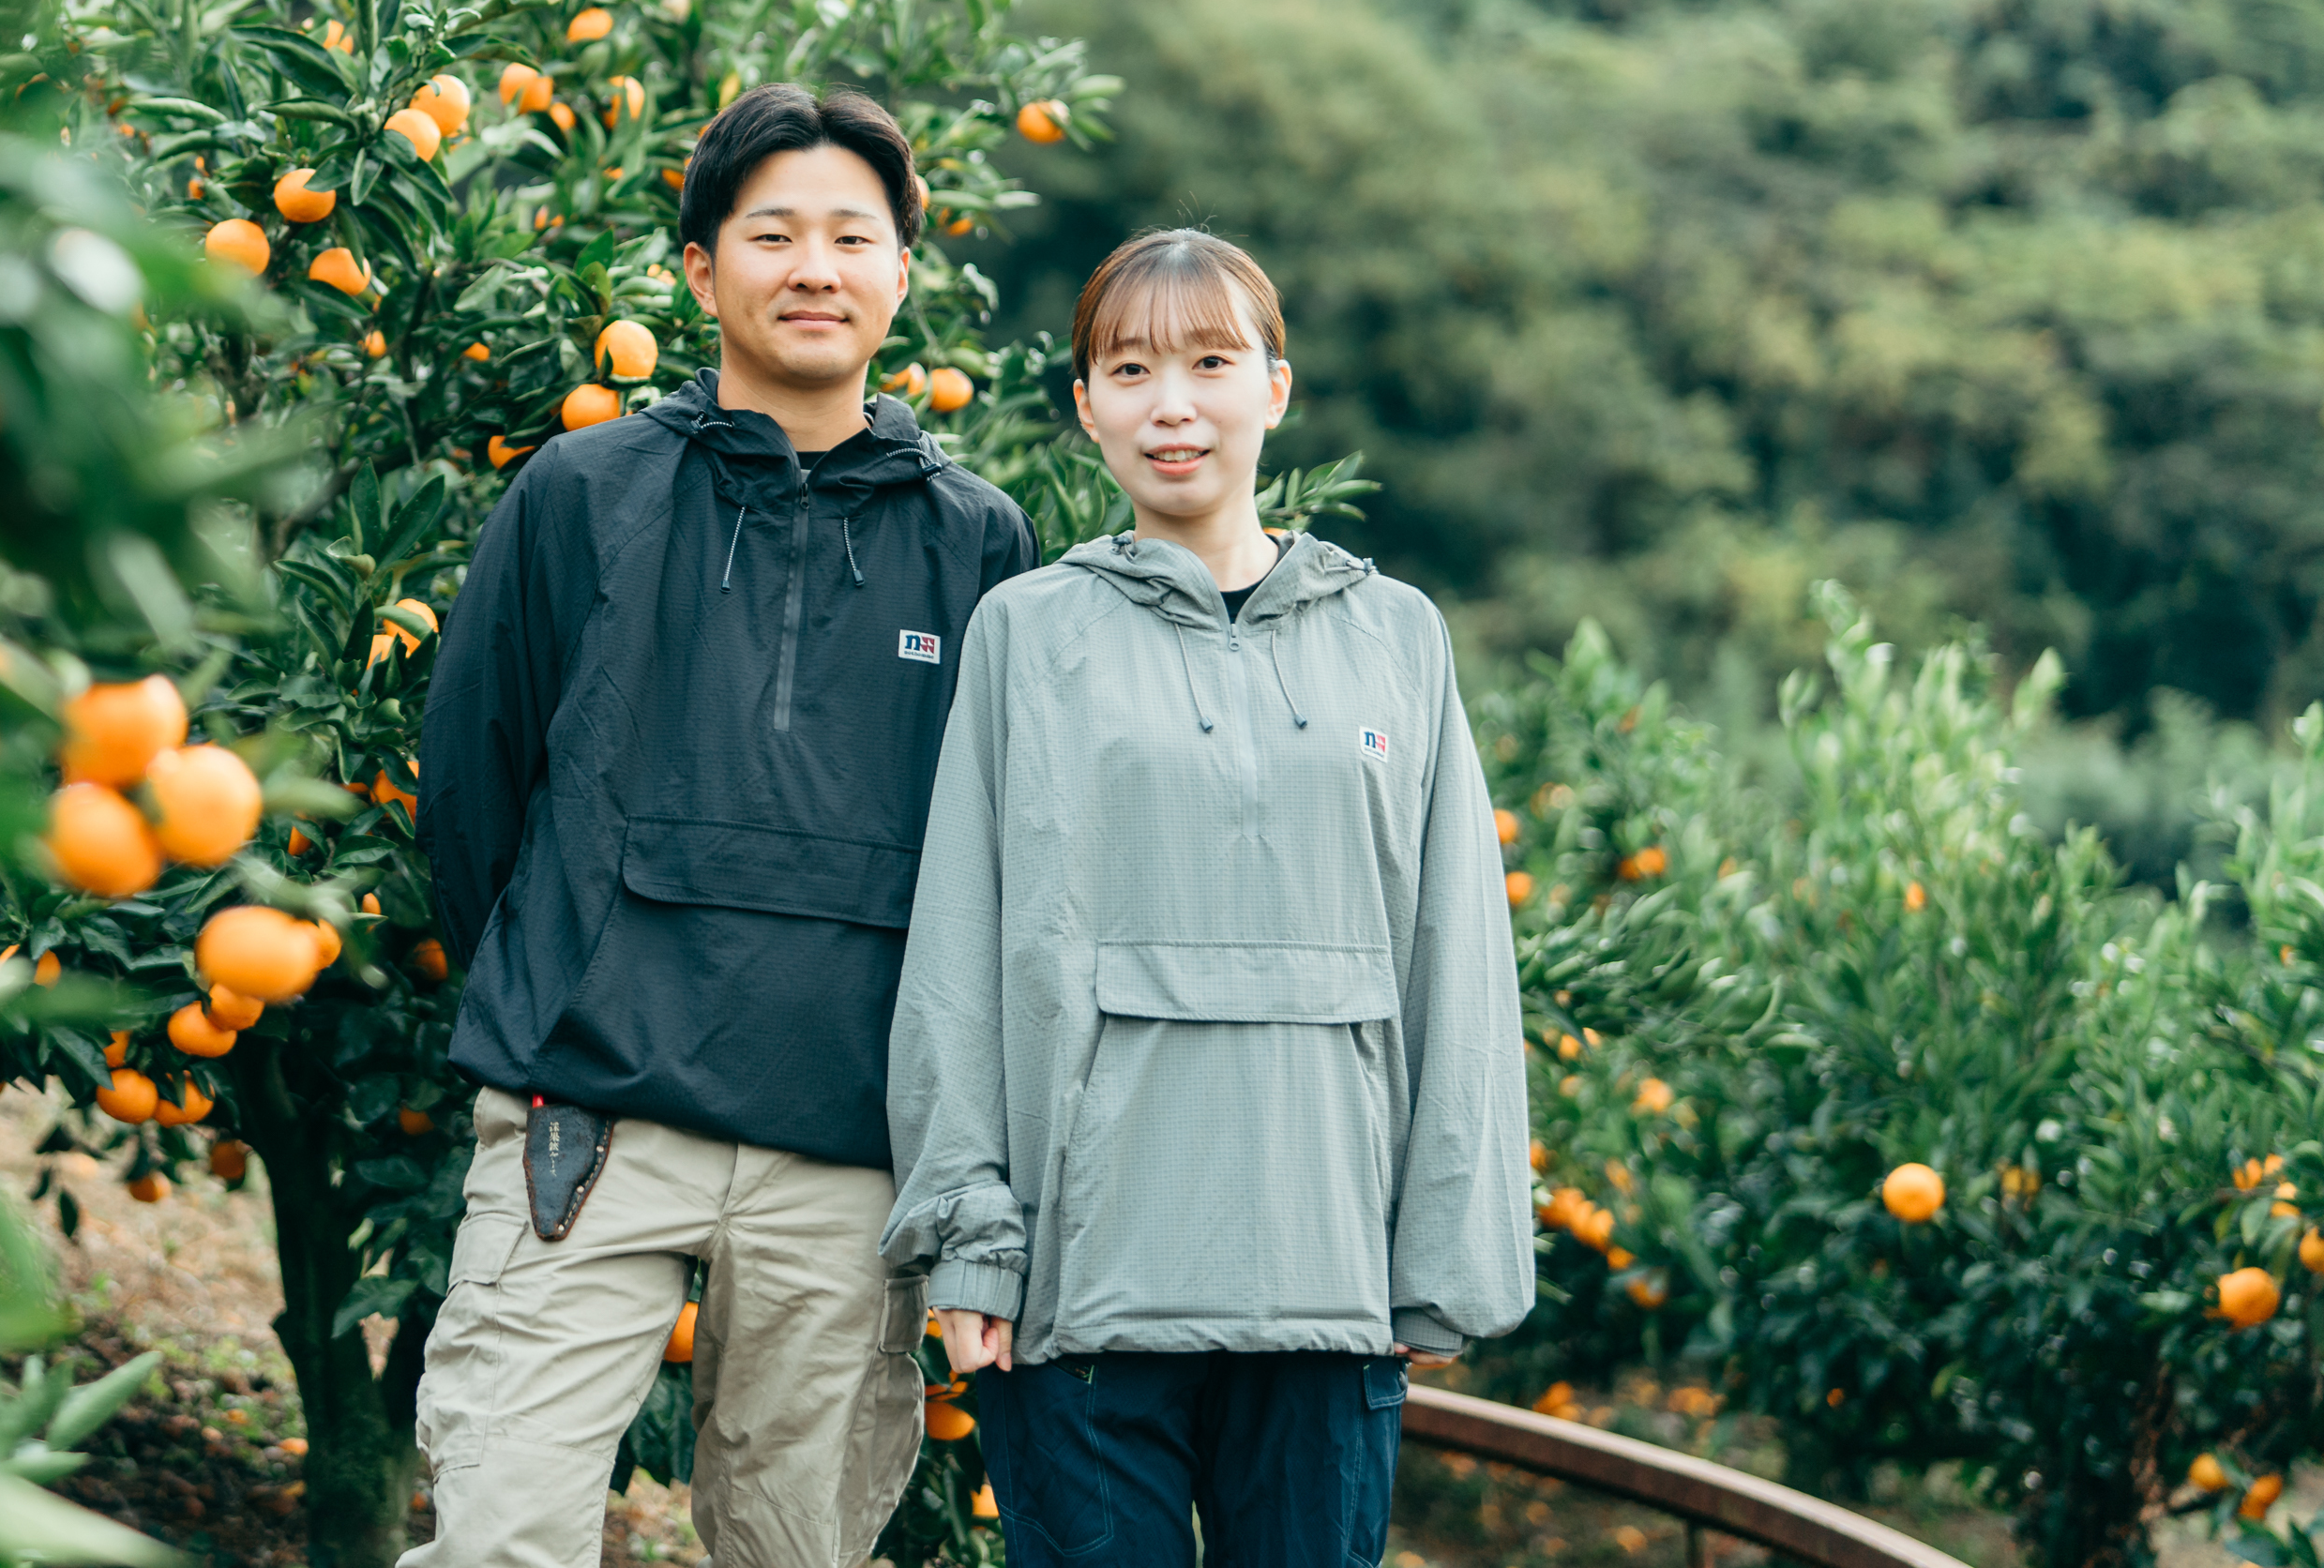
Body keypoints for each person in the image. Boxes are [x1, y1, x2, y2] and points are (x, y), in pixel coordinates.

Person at [410, 82, 1040, 1568]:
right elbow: (473, 790)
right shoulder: (586, 491)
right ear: (702, 270)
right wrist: (559, 991)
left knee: (796, 1551)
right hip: (593, 1118)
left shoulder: (982, 542)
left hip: (847, 1151)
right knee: (500, 1534)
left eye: (850, 236)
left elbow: (999, 858)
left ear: (900, 272)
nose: (813, 267)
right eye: (772, 234)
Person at [882, 227, 1532, 1568]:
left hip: (1328, 1290)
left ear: (1275, 389)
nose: (1171, 404)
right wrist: (969, 1244)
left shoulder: (1397, 636)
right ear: (1086, 407)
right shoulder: (1028, 632)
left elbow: (1455, 957)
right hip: (1078, 1298)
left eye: (1211, 362)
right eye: (1131, 368)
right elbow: (956, 950)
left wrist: (1444, 1257)